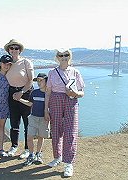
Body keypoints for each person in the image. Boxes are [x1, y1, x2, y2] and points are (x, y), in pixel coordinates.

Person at [44, 49, 85, 177]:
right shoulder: (52, 72)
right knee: (55, 130)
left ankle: (69, 164)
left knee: (71, 131)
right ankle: (57, 157)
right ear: (57, 57)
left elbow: (82, 92)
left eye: (66, 55)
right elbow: (48, 92)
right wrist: (46, 109)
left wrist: (75, 93)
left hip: (71, 101)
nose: (63, 57)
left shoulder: (75, 72)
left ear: (69, 56)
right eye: (61, 55)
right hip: (55, 100)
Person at [4, 39, 34, 158]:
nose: (14, 50)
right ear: (9, 50)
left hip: (25, 92)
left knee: (27, 123)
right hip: (11, 93)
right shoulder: (7, 63)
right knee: (14, 122)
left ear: (20, 50)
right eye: (12, 48)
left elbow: (31, 80)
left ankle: (27, 149)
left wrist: (21, 92)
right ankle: (14, 146)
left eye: (16, 48)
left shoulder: (26, 62)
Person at [17, 73, 50, 166]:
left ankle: (38, 154)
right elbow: (30, 103)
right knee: (30, 136)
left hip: (44, 119)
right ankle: (31, 155)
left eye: (41, 80)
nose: (39, 82)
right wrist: (19, 99)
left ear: (46, 81)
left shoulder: (49, 93)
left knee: (41, 137)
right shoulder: (34, 92)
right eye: (38, 80)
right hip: (33, 117)